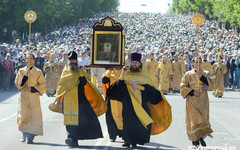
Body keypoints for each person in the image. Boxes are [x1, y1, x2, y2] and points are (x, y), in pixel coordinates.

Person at [106, 52, 172, 148]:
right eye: (133, 62)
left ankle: (135, 141)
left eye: (136, 63)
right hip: (128, 103)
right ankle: (127, 140)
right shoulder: (125, 75)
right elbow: (116, 88)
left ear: (140, 64)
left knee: (139, 123)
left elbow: (152, 90)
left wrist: (140, 87)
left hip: (141, 104)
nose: (134, 64)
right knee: (128, 122)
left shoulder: (144, 76)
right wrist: (122, 74)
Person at [54, 51, 107, 148]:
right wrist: (57, 99)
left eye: (74, 60)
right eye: (71, 60)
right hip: (68, 100)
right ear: (68, 61)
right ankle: (70, 138)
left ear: (76, 60)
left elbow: (84, 83)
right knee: (69, 120)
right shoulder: (65, 71)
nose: (73, 62)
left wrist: (82, 72)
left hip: (80, 99)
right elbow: (61, 86)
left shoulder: (81, 70)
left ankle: (75, 139)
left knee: (80, 120)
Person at [180, 57, 214, 147]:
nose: (198, 63)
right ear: (192, 63)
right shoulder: (188, 74)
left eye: (200, 62)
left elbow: (212, 84)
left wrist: (201, 77)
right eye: (196, 62)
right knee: (194, 120)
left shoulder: (206, 73)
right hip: (192, 100)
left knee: (202, 120)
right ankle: (195, 142)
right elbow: (182, 86)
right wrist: (192, 92)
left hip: (203, 100)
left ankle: (200, 137)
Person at [14, 53, 46, 144]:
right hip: (24, 97)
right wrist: (25, 76)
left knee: (33, 117)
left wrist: (33, 89)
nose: (29, 60)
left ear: (34, 60)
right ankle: (24, 134)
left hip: (34, 98)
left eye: (31, 58)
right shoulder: (21, 71)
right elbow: (18, 84)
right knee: (23, 116)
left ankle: (30, 137)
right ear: (25, 60)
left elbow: (42, 84)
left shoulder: (38, 71)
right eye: (27, 58)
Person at [102, 68, 123, 142]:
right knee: (110, 116)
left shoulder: (125, 70)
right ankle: (112, 135)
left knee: (123, 115)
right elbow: (104, 81)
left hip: (122, 96)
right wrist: (109, 72)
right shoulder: (110, 71)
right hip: (111, 96)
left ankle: (123, 134)